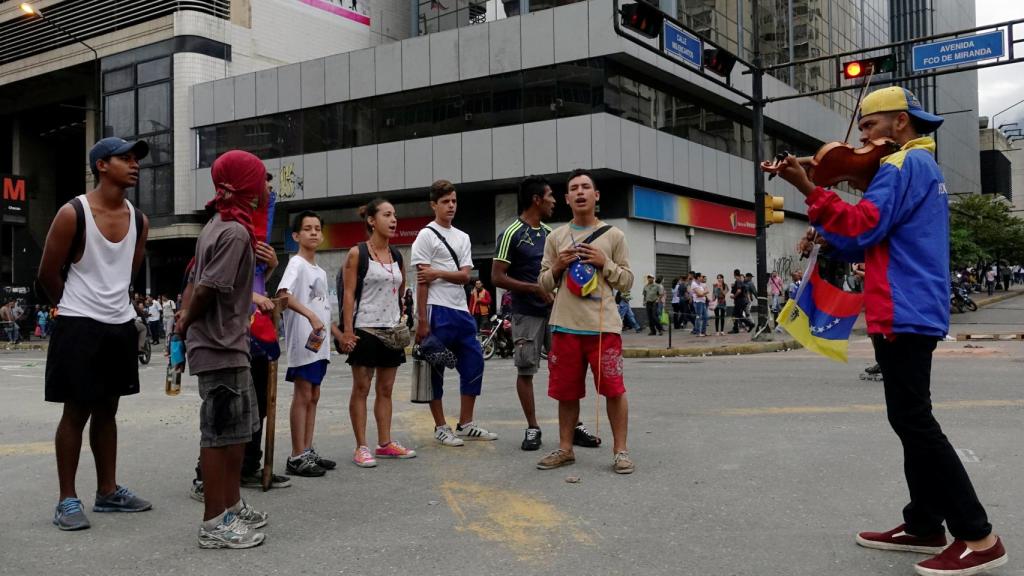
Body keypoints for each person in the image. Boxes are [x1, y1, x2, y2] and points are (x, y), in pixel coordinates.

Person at [767, 86, 1007, 575]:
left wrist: (810, 189)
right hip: (907, 303)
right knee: (910, 418)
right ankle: (923, 523)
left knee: (915, 420)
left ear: (900, 122)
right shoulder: (919, 166)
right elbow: (868, 240)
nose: (862, 139)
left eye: (869, 127)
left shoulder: (901, 166)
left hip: (903, 306)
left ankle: (979, 536)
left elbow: (861, 225)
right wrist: (828, 229)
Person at [37, 137, 153, 531]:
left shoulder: (140, 220)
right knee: (76, 412)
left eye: (136, 159)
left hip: (119, 325)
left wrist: (123, 313)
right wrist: (72, 306)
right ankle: (66, 499)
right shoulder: (74, 213)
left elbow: (128, 274)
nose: (134, 164)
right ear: (101, 165)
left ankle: (107, 491)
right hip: (78, 324)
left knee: (109, 410)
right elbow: (47, 273)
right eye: (125, 158)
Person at [176, 149, 268, 549]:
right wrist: (185, 321)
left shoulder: (224, 224)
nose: (265, 186)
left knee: (237, 433)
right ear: (246, 184)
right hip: (218, 344)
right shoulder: (231, 231)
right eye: (261, 178)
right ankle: (215, 522)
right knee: (219, 434)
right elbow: (208, 287)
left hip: (230, 344)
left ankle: (230, 506)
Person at [492, 176, 601, 452]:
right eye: (551, 195)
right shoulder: (510, 233)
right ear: (537, 200)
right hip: (525, 314)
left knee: (568, 370)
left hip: (557, 313)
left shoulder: (552, 234)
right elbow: (497, 277)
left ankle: (574, 428)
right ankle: (532, 428)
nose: (555, 200)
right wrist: (534, 289)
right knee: (526, 370)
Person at [535, 169, 633, 474]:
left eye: (586, 187)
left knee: (614, 389)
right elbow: (542, 285)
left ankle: (620, 451)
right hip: (564, 326)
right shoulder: (555, 238)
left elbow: (627, 282)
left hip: (604, 329)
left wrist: (606, 264)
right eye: (574, 188)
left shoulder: (614, 236)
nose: (580, 192)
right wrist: (558, 267)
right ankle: (565, 448)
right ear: (566, 198)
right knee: (566, 391)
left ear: (596, 196)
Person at [412, 179, 495, 446]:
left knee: (474, 362)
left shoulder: (463, 237)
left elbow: (465, 277)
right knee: (435, 367)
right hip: (436, 309)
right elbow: (422, 280)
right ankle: (440, 426)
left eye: (454, 201)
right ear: (433, 205)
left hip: (461, 310)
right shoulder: (425, 235)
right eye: (445, 202)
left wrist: (438, 272)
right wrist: (421, 320)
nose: (451, 206)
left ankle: (466, 422)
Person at [334, 198, 416, 468]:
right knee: (362, 387)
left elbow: (402, 289)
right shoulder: (358, 253)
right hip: (365, 328)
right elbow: (348, 294)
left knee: (386, 388)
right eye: (386, 215)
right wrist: (347, 332)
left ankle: (385, 443)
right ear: (371, 220)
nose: (393, 220)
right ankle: (361, 447)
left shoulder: (397, 255)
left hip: (392, 330)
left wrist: (404, 317)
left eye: (394, 215)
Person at [276, 210, 335, 477]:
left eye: (317, 228)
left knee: (314, 394)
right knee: (302, 394)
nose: (313, 232)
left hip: (320, 342)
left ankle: (308, 449)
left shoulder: (320, 270)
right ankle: (296, 455)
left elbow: (322, 306)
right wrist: (309, 315)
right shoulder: (296, 264)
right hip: (303, 340)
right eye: (307, 228)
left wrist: (337, 333)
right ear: (296, 236)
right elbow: (283, 296)